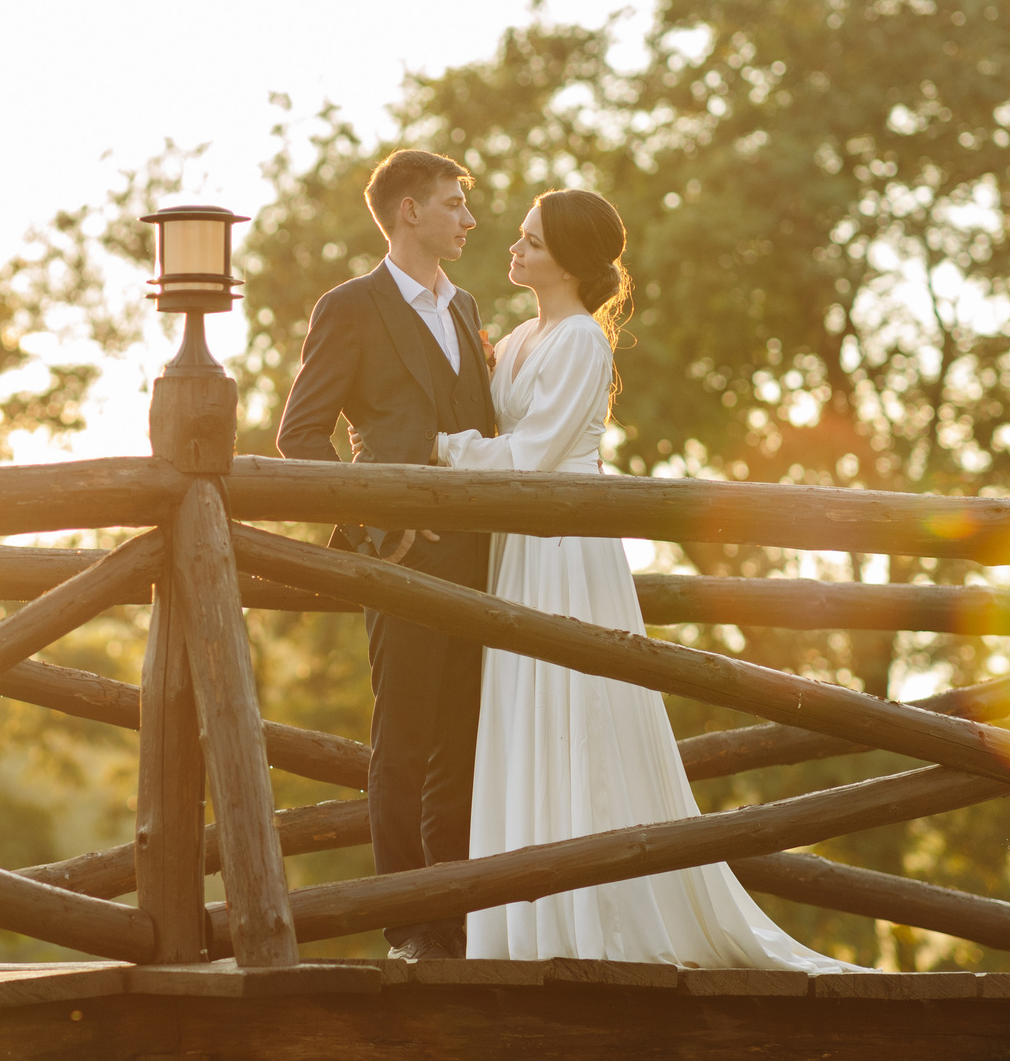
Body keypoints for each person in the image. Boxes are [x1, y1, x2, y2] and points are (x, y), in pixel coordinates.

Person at [436, 189, 861, 970]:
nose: (513, 250)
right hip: (516, 548)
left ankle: (597, 913)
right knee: (527, 703)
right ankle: (530, 912)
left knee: (578, 700)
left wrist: (442, 449)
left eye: (529, 241)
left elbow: (532, 457)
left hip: (564, 543)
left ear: (564, 258)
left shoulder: (581, 343)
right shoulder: (525, 334)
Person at [274, 149, 498, 961]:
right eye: (452, 204)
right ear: (409, 211)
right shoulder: (352, 306)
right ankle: (410, 927)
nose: (467, 219)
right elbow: (301, 434)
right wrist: (372, 526)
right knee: (402, 742)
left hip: (482, 556)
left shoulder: (466, 304)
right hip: (399, 562)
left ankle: (460, 917)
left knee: (467, 738)